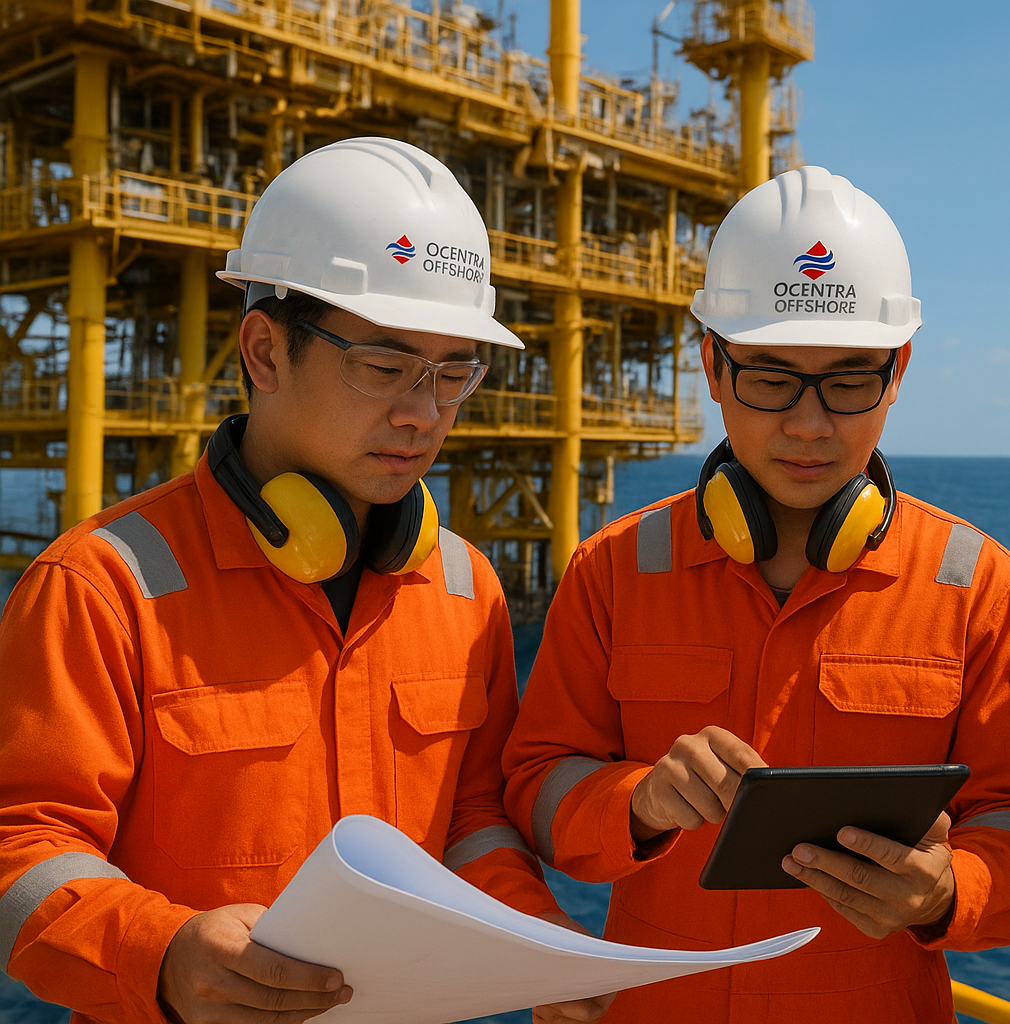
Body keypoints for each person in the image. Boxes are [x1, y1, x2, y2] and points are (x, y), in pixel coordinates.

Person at [0, 137, 609, 1024]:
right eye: (384, 365)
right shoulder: (103, 586)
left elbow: (472, 820)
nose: (421, 413)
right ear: (265, 350)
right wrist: (163, 955)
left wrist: (537, 938)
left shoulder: (461, 586)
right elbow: (24, 849)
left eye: (452, 374)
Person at [501, 164, 1010, 1023]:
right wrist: (640, 803)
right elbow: (537, 788)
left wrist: (946, 890)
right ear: (712, 365)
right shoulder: (614, 569)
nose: (808, 426)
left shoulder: (976, 585)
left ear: (899, 369)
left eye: (848, 381)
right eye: (770, 378)